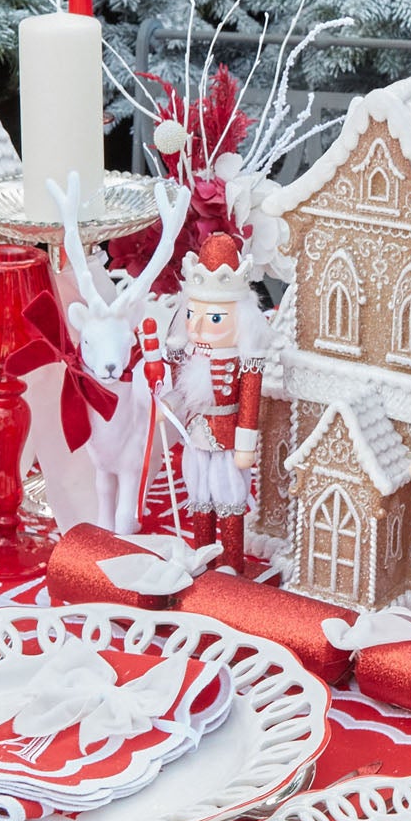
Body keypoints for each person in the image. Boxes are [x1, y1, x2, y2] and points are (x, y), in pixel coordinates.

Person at [169, 232, 266, 573]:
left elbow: (250, 397)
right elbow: (172, 382)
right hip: (197, 433)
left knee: (227, 493)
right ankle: (203, 554)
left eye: (213, 319)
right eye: (192, 314)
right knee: (199, 490)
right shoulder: (189, 353)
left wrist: (245, 444)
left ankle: (232, 561)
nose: (198, 326)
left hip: (226, 434)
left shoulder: (245, 360)